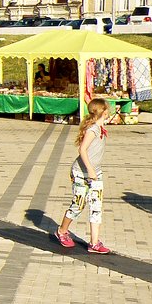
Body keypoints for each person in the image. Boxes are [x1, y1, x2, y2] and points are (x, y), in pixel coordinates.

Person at [54, 98, 113, 254]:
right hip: (81, 173)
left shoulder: (100, 128)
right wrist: (90, 170)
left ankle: (94, 243)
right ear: (103, 112)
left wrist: (94, 172)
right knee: (78, 205)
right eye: (107, 109)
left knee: (96, 207)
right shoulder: (92, 129)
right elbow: (82, 150)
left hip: (96, 174)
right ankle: (61, 231)